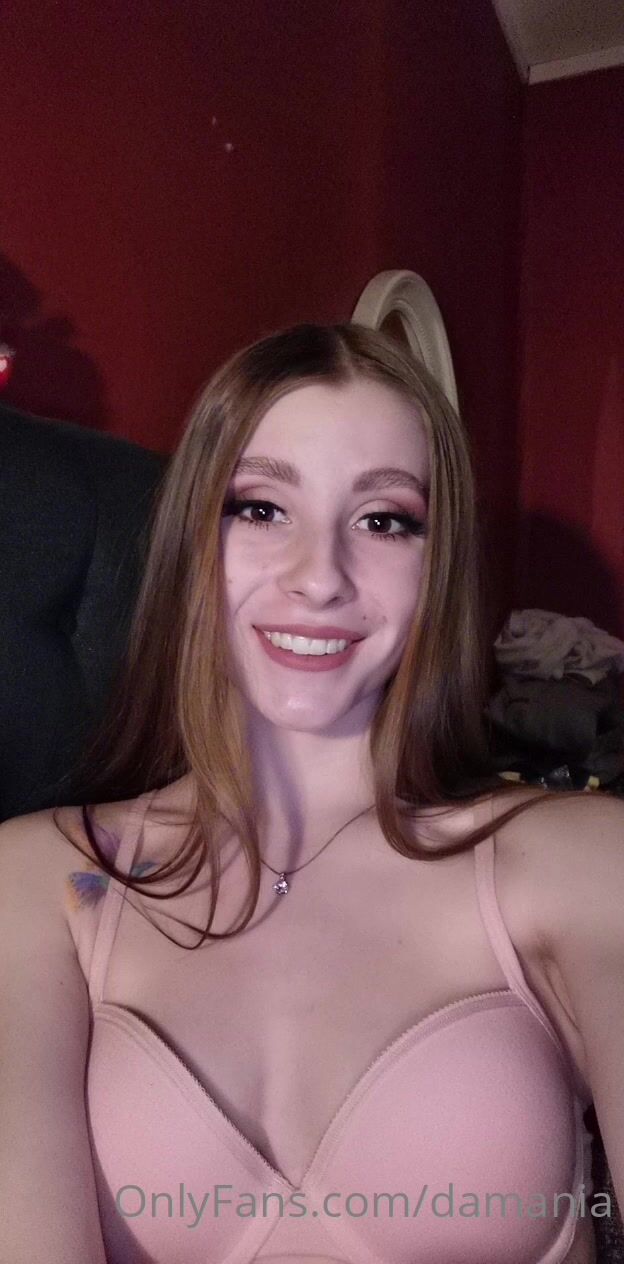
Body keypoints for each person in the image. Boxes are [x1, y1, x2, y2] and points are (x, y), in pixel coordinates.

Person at [1, 322, 622, 1264]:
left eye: (384, 520)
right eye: (261, 508)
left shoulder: (583, 860)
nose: (319, 577)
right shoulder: (43, 881)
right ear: (192, 541)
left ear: (437, 564)